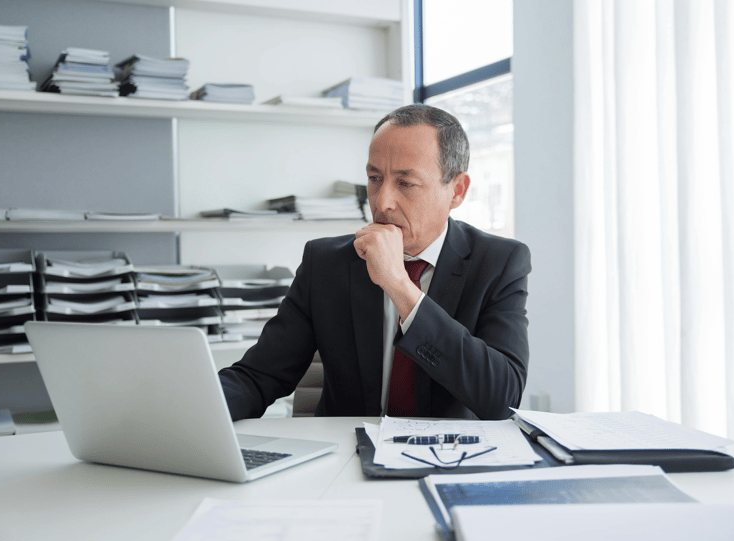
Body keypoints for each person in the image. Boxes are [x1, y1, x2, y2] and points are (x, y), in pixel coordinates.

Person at [219, 104, 530, 420]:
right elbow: (259, 377)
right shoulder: (326, 263)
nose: (382, 202)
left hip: (449, 458)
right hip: (347, 455)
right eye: (374, 178)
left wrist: (399, 285)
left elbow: (501, 398)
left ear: (457, 191)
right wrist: (190, 409)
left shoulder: (498, 262)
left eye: (405, 183)